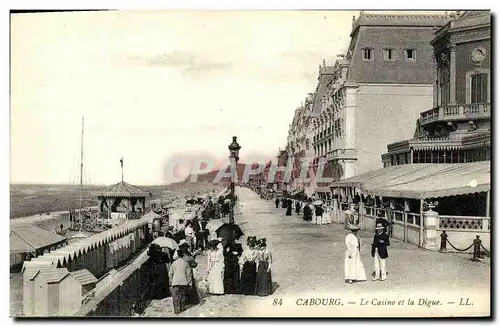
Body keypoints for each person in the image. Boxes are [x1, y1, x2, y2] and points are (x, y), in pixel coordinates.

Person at [169, 249, 192, 314]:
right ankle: (182, 307)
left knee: (175, 297)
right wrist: (189, 282)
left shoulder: (174, 263)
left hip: (175, 282)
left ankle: (176, 309)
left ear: (178, 255)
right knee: (183, 295)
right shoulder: (186, 263)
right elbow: (189, 274)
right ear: (183, 255)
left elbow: (170, 273)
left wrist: (170, 282)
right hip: (184, 282)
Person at [178, 241, 200, 305]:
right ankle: (191, 300)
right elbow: (193, 261)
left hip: (183, 271)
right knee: (190, 284)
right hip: (189, 271)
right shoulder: (188, 254)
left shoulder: (181, 254)